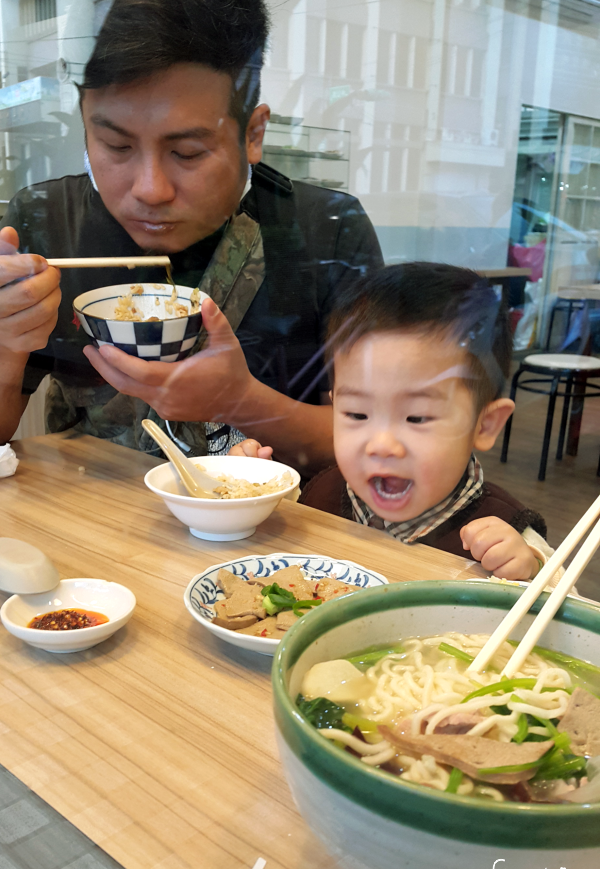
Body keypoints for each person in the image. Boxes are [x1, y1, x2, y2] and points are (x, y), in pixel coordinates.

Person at [0, 0, 382, 476]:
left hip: (272, 537)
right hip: (92, 521)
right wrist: (4, 348)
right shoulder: (47, 222)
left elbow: (378, 442)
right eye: (116, 146)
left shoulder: (327, 229)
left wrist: (241, 400)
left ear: (253, 133)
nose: (149, 189)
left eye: (187, 152)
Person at [234, 263, 554, 580]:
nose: (381, 444)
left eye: (416, 417)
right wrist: (258, 497)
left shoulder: (504, 532)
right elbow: (290, 547)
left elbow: (568, 605)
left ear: (484, 425)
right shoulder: (323, 494)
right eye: (357, 414)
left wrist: (532, 569)